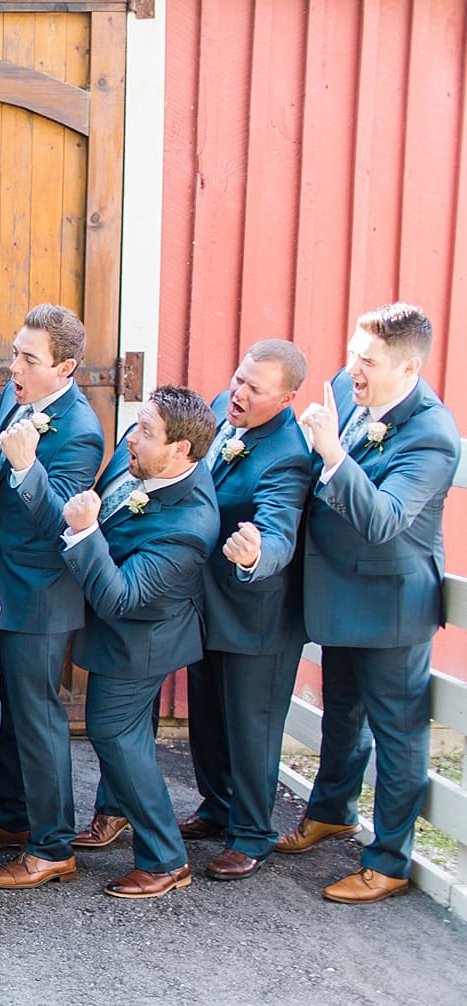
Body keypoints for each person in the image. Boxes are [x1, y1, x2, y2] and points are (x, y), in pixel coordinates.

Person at [279, 303, 460, 904]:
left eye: (369, 361)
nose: (353, 368)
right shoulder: (344, 386)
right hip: (339, 591)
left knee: (398, 733)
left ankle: (388, 861)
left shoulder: (433, 435)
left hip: (391, 604)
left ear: (408, 369)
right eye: (354, 352)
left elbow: (383, 520)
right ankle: (331, 810)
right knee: (342, 711)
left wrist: (333, 453)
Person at [57, 386, 221, 899]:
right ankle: (116, 812)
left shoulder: (189, 527)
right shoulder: (145, 461)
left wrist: (85, 534)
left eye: (147, 432)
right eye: (138, 424)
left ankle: (167, 859)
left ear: (182, 451)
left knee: (113, 732)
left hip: (144, 640)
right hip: (126, 633)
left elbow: (122, 599)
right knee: (125, 734)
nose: (132, 437)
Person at [177, 341, 313, 881]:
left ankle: (253, 833)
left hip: (259, 615)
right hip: (207, 602)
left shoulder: (288, 454)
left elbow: (279, 526)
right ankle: (216, 808)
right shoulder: (219, 412)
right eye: (239, 379)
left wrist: (258, 554)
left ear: (286, 398)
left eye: (255, 390)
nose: (239, 393)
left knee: (252, 728)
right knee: (207, 716)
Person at [0, 304, 106, 887]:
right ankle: (13, 817)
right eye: (14, 353)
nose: (14, 368)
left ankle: (54, 844)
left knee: (38, 719)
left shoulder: (81, 430)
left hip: (41, 594)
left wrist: (27, 466)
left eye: (29, 360)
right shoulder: (19, 397)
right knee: (8, 713)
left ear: (66, 367)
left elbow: (62, 521)